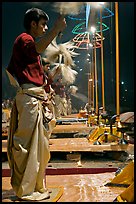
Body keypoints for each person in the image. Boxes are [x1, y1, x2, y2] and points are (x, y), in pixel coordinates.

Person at [6, 7, 66, 201]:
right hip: (29, 100)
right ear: (33, 24)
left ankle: (35, 186)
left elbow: (36, 75)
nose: (45, 28)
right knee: (25, 146)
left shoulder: (31, 47)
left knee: (40, 148)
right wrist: (55, 30)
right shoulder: (25, 39)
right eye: (43, 24)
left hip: (36, 99)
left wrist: (50, 78)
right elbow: (37, 49)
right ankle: (26, 189)